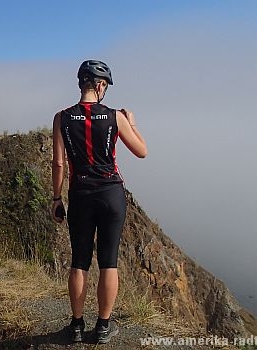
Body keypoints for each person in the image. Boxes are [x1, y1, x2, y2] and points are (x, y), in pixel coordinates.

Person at [50, 60, 147, 344]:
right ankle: (103, 327)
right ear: (100, 85)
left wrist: (56, 198)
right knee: (109, 262)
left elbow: (58, 163)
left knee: (79, 261)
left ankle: (77, 326)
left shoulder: (61, 117)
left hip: (80, 194)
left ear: (82, 83)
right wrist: (133, 124)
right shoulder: (115, 117)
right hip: (111, 194)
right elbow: (142, 151)